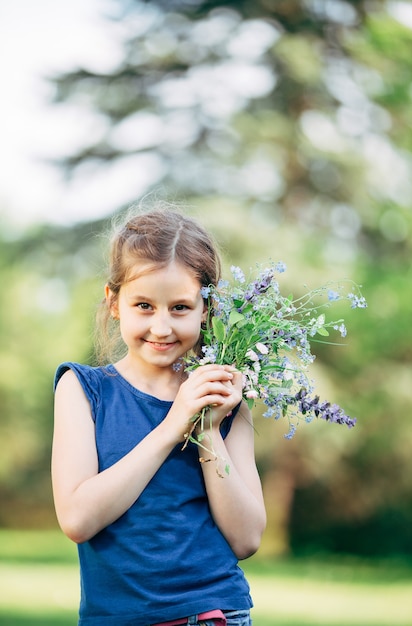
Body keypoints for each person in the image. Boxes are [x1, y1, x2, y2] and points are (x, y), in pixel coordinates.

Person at [51, 208, 267, 626]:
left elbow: (246, 538)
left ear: (206, 309)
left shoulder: (225, 397)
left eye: (181, 307)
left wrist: (207, 428)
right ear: (114, 303)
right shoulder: (82, 390)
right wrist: (172, 427)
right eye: (144, 305)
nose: (162, 326)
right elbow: (77, 519)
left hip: (215, 614)